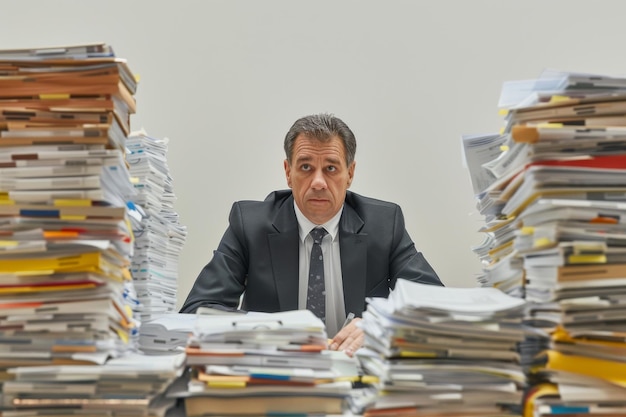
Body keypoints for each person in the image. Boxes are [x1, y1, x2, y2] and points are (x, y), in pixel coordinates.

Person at [180, 113, 443, 356]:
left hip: (358, 377)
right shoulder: (250, 225)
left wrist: (381, 323)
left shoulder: (383, 225)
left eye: (330, 168)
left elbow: (438, 306)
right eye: (306, 167)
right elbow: (196, 311)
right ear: (288, 172)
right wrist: (274, 330)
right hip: (276, 378)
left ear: (349, 174)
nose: (318, 182)